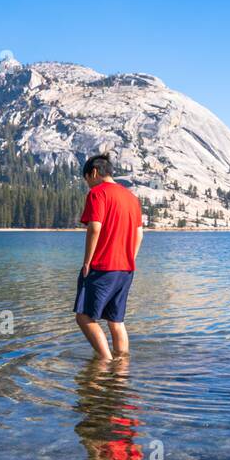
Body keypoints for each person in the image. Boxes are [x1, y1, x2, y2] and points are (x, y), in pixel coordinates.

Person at [74, 154, 143, 360]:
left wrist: (87, 262)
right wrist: (130, 260)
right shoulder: (132, 198)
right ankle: (122, 366)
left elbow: (95, 227)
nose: (88, 185)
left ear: (94, 173)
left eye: (87, 179)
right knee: (116, 320)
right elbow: (140, 234)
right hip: (126, 269)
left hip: (102, 267)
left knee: (84, 317)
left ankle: (105, 361)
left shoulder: (98, 193)